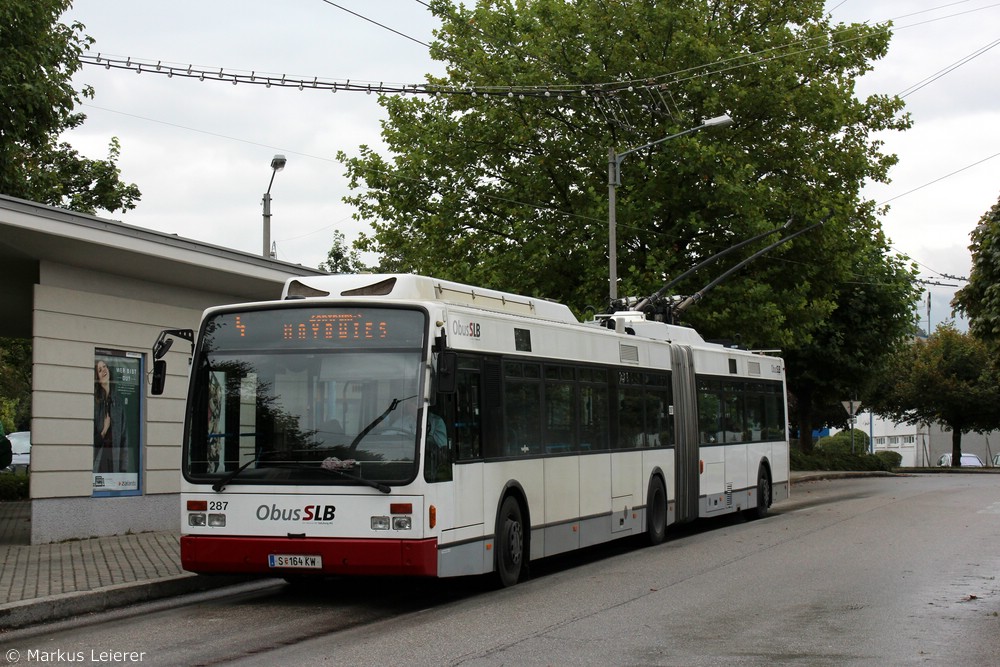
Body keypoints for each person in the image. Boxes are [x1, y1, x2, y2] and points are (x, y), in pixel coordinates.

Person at [94, 360, 129, 472]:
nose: (104, 370)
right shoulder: (95, 403)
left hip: (115, 463)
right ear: (97, 378)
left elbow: (124, 438)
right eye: (99, 370)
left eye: (105, 366)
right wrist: (104, 430)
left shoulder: (118, 402)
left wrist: (123, 469)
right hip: (98, 463)